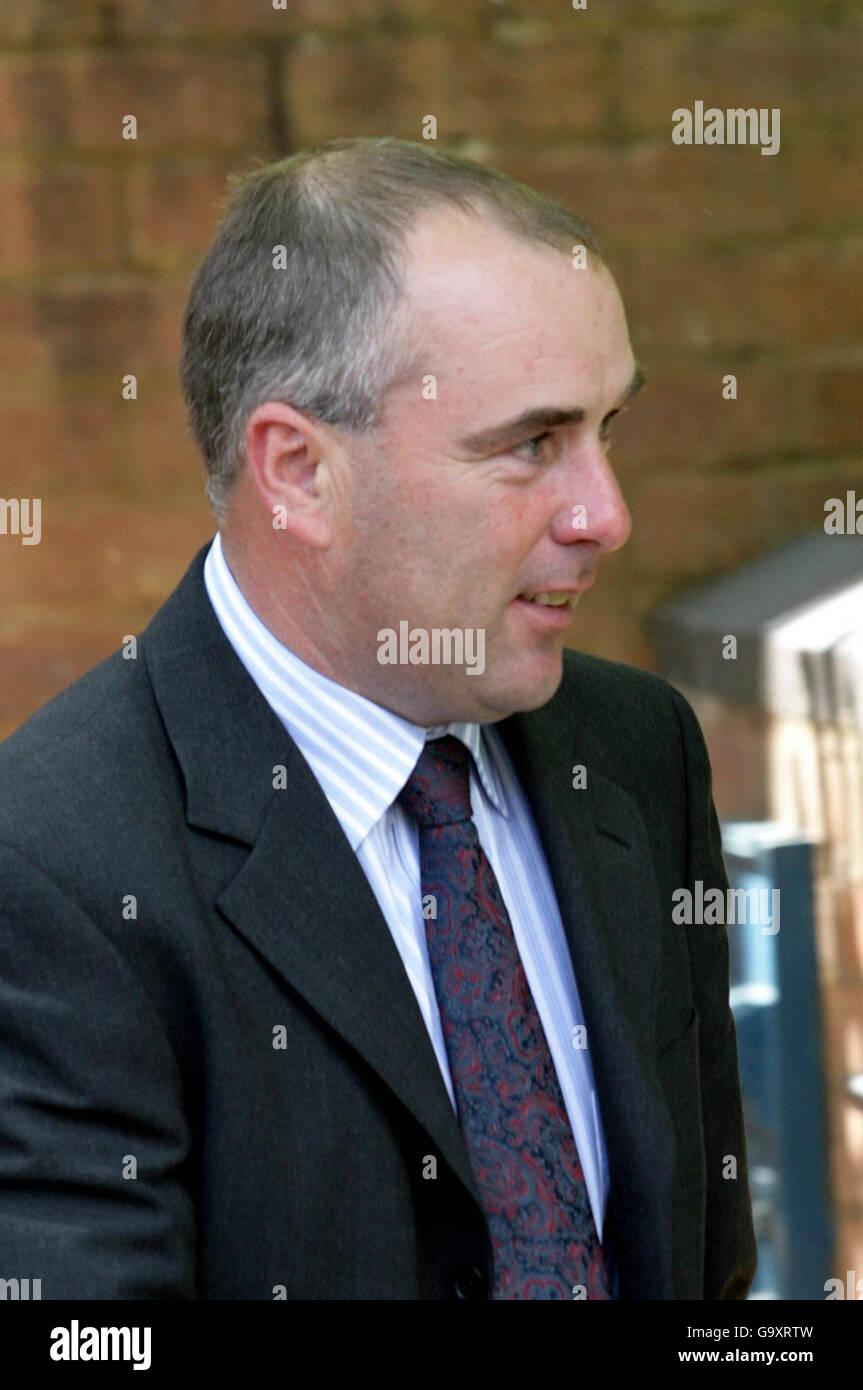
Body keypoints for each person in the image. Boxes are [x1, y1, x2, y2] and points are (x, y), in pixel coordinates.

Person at [0, 136, 756, 1300]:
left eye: (612, 429)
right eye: (531, 444)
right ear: (297, 470)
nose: (605, 514)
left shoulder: (633, 750)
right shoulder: (53, 866)